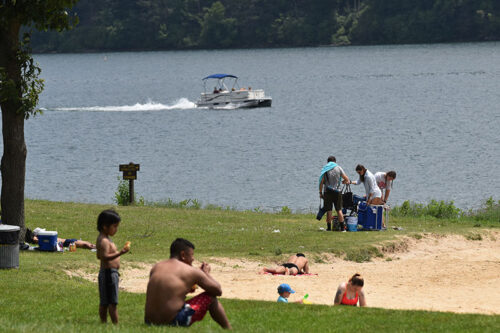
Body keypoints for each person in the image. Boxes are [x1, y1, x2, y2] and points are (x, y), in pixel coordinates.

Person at [144, 238, 231, 329]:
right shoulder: (191, 271)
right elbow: (217, 290)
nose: (193, 259)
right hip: (173, 321)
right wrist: (206, 274)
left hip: (149, 321)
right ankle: (228, 329)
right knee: (210, 297)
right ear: (183, 255)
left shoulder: (156, 267)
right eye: (192, 255)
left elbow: (167, 291)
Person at [96, 209, 130, 324]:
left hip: (110, 273)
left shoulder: (105, 239)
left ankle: (104, 323)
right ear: (105, 227)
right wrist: (121, 252)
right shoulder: (104, 241)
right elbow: (103, 256)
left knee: (106, 302)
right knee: (111, 302)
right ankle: (115, 325)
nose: (116, 229)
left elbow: (98, 256)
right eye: (114, 226)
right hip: (108, 273)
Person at [319, 156, 350, 231]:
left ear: (328, 162)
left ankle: (329, 228)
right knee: (339, 209)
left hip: (327, 192)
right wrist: (343, 182)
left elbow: (321, 182)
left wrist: (320, 192)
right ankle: (343, 228)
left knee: (329, 210)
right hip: (337, 192)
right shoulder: (338, 168)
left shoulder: (325, 169)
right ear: (335, 162)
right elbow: (347, 180)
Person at [25, 227, 96, 249]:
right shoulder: (41, 240)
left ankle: (97, 247)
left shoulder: (44, 238)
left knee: (86, 244)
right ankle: (97, 247)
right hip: (67, 242)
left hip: (68, 241)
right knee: (86, 245)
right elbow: (36, 240)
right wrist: (33, 237)